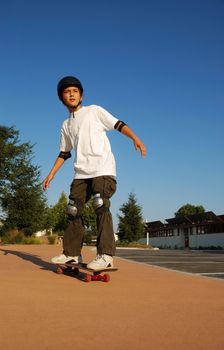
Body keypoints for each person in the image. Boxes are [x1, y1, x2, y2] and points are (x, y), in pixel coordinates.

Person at [42, 76, 146, 270]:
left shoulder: (94, 111)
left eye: (75, 91)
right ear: (62, 98)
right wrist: (51, 174)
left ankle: (105, 255)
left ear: (81, 95)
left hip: (102, 169)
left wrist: (135, 138)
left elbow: (118, 124)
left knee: (100, 205)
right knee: (73, 210)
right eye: (67, 92)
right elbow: (65, 152)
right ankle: (72, 254)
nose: (71, 94)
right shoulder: (66, 125)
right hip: (81, 173)